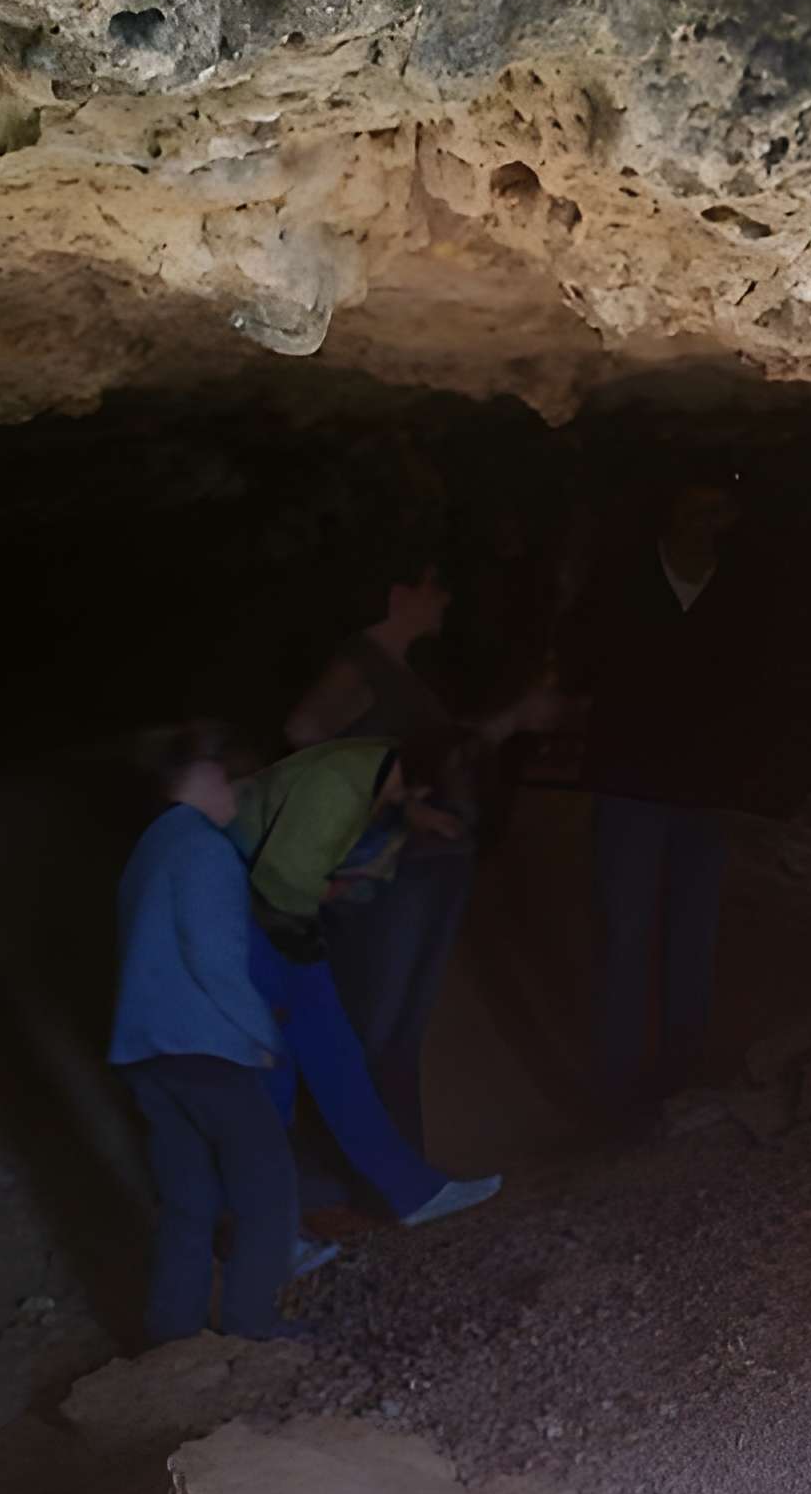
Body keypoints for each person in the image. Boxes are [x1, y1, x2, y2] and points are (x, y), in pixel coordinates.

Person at [284, 559, 560, 1150]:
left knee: (402, 1027)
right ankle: (335, 1164)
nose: (444, 600)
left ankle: (396, 1164)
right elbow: (304, 734)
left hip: (432, 862)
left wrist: (510, 721)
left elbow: (438, 751)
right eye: (434, 587)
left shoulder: (403, 671)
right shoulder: (360, 661)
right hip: (391, 866)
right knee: (372, 1019)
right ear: (397, 594)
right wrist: (394, 802)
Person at [237, 735, 502, 1228]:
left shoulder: (372, 795)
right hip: (253, 917)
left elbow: (318, 880)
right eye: (442, 818)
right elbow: (280, 881)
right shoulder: (341, 783)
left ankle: (405, 1193)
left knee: (333, 1055)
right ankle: (267, 1217)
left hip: (274, 920)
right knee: (279, 1066)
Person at [569, 481, 761, 1125]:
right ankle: (618, 1094)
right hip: (629, 782)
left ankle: (679, 1081)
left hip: (704, 788)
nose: (708, 517)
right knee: (625, 934)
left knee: (692, 935)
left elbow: (757, 678)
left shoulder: (739, 586)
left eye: (719, 507)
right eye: (697, 503)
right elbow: (583, 657)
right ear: (671, 507)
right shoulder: (625, 576)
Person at [108, 726, 307, 1347]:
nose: (234, 792)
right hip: (205, 1047)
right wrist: (261, 1034)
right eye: (224, 777)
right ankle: (253, 1327)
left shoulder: (150, 847)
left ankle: (174, 1338)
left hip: (146, 1050)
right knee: (268, 1190)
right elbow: (214, 960)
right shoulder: (203, 848)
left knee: (188, 1200)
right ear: (194, 778)